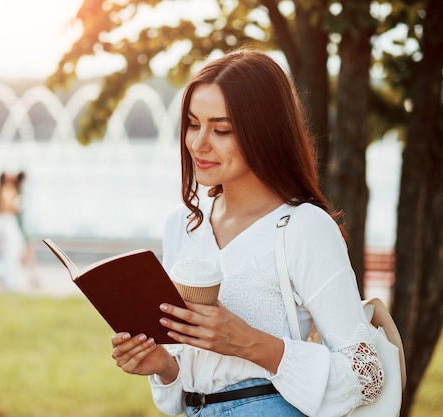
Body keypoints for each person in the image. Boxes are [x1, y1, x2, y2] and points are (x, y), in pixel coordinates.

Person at [110, 49, 384, 417]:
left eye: (221, 130)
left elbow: (365, 375)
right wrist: (161, 366)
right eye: (193, 124)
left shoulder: (305, 228)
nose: (199, 143)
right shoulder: (182, 225)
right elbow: (191, 381)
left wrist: (249, 343)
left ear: (264, 133)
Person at [0, 170, 38, 291]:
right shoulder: (7, 189)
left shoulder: (6, 189)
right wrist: (18, 204)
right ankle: (6, 279)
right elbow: (11, 208)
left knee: (11, 251)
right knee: (10, 251)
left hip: (8, 222)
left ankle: (5, 277)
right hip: (7, 222)